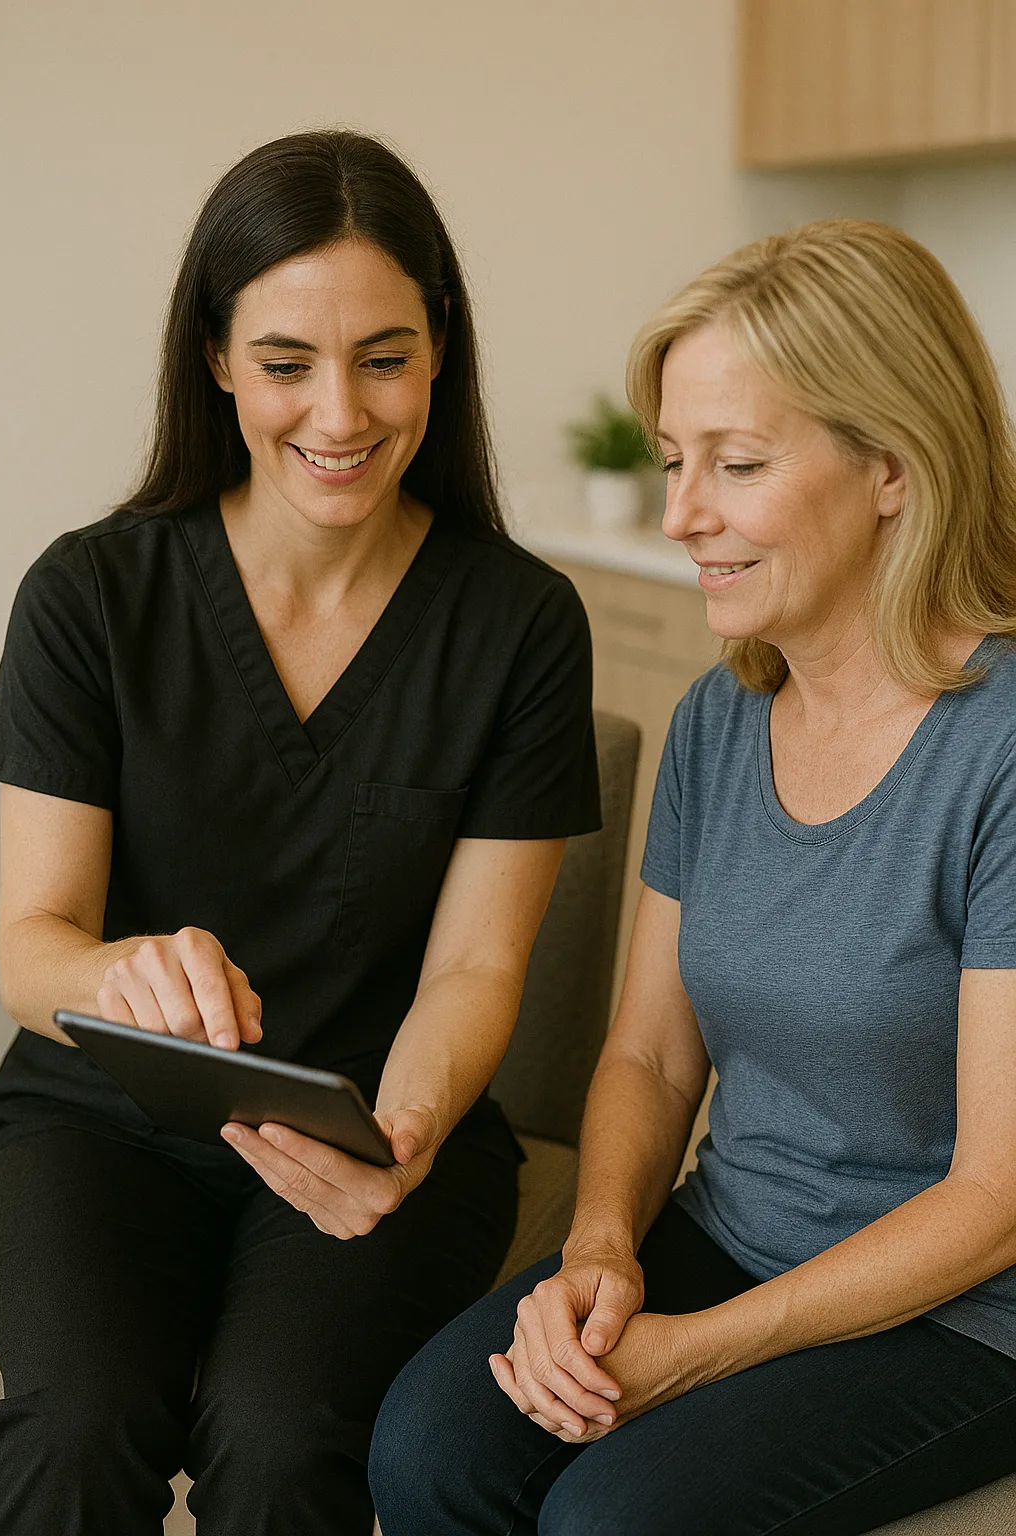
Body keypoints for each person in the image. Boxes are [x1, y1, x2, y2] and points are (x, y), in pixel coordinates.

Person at [0, 129, 599, 1536]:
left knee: (282, 1441)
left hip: (382, 1125)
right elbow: (30, 947)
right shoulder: (90, 595)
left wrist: (404, 1129)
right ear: (214, 358)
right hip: (102, 1120)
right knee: (78, 1425)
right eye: (286, 363)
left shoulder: (517, 625)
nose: (341, 411)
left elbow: (474, 973)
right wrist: (119, 974)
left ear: (439, 351)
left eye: (385, 356)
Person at [369, 219, 1016, 1535]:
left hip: (968, 1309)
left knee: (614, 1519)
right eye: (675, 461)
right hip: (732, 1225)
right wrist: (601, 1247)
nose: (682, 516)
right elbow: (652, 1061)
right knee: (428, 1447)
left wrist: (698, 1349)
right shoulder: (721, 721)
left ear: (892, 465)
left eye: (736, 463)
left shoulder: (998, 750)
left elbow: (995, 1202)